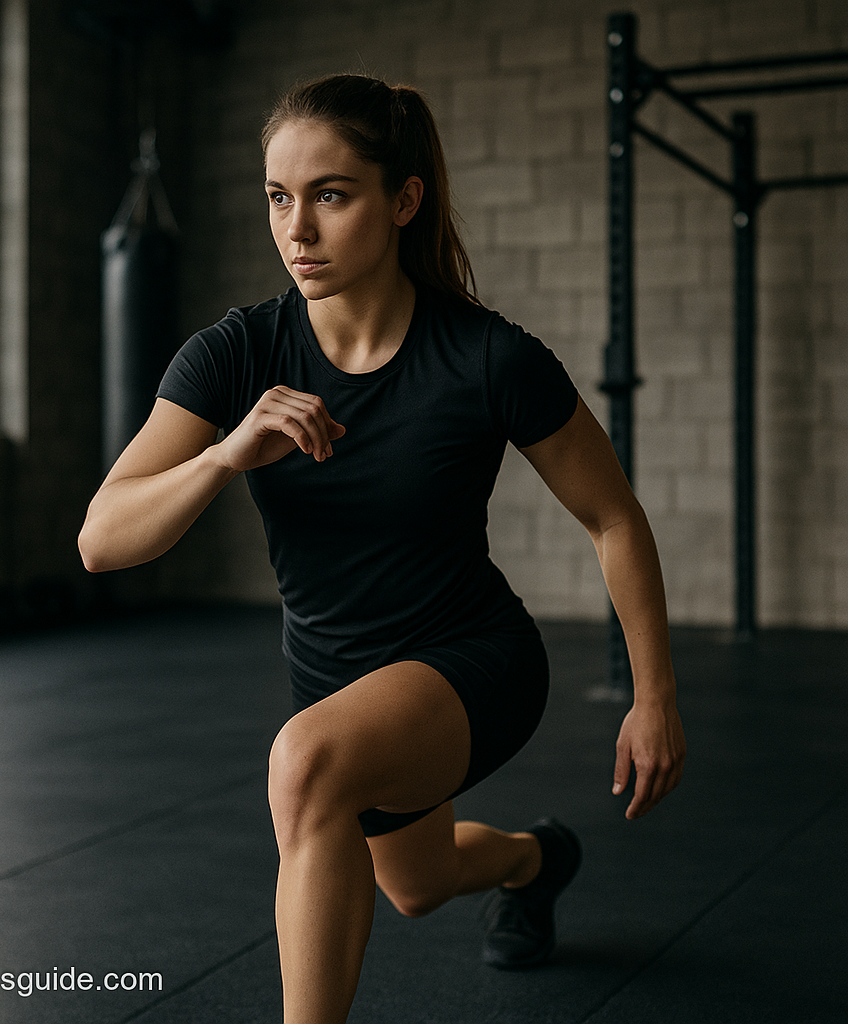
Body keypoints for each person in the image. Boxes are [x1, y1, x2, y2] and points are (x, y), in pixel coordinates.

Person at [79, 73, 686, 1024]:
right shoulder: (235, 354)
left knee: (305, 765)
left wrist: (654, 697)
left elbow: (613, 516)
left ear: (402, 201)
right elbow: (102, 541)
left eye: (331, 194)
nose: (297, 230)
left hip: (471, 658)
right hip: (336, 676)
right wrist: (228, 454)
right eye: (280, 198)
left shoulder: (490, 358)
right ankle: (535, 860)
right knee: (419, 881)